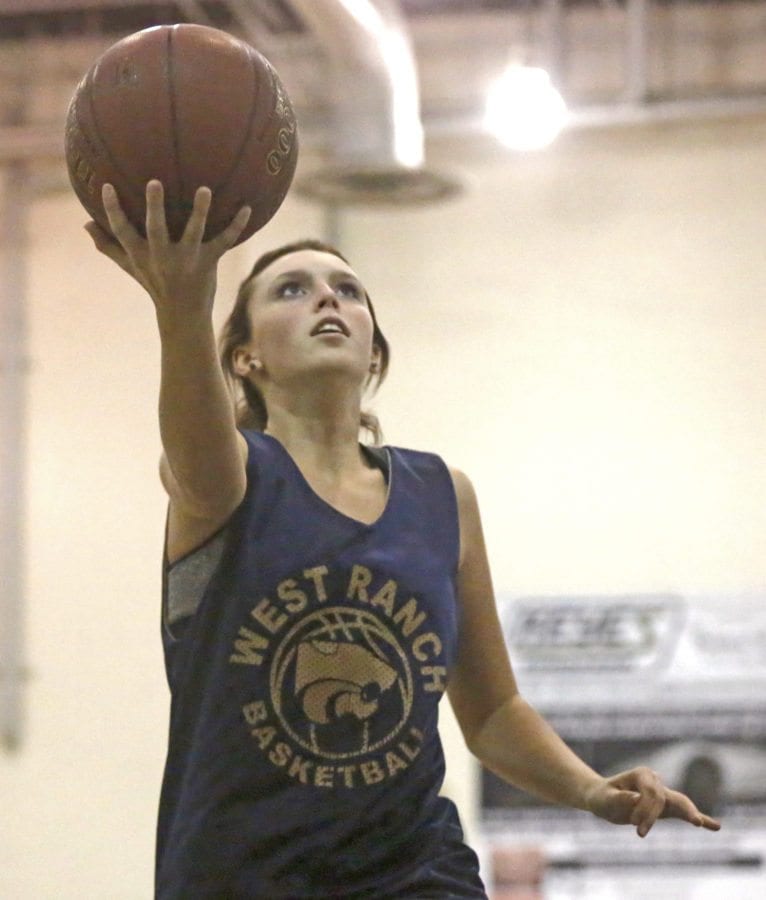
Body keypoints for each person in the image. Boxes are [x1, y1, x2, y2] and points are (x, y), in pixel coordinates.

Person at [86, 181, 720, 899]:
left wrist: (594, 791)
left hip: (415, 871)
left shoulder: (441, 494)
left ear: (374, 351)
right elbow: (198, 450)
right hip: (242, 875)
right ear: (244, 358)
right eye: (291, 290)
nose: (328, 301)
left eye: (348, 292)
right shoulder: (226, 476)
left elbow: (491, 712)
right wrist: (182, 303)